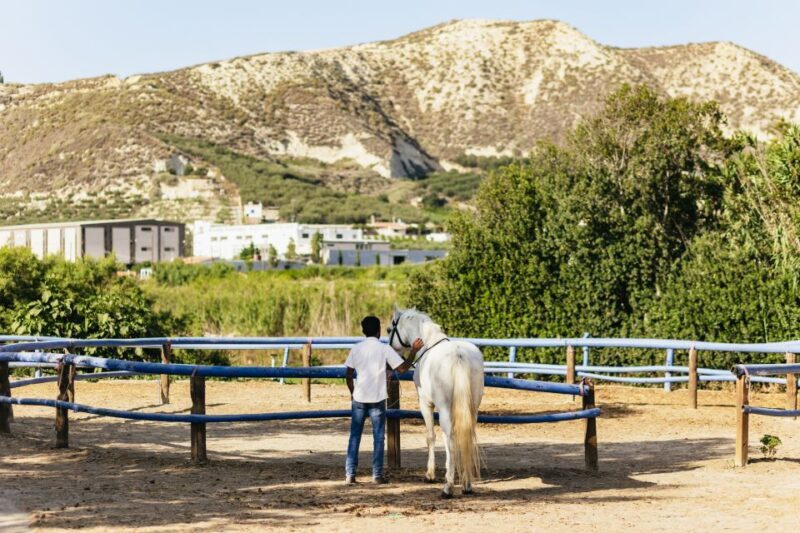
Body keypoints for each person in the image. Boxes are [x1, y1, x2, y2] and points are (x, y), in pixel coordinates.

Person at [344, 315, 423, 485]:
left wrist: (352, 391)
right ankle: (377, 475)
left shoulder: (356, 348)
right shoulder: (384, 349)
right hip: (378, 398)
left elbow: (349, 374)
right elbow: (402, 369)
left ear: (363, 331)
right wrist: (413, 352)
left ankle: (350, 474)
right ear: (379, 331)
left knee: (355, 436)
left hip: (359, 397)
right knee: (378, 437)